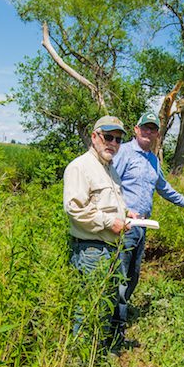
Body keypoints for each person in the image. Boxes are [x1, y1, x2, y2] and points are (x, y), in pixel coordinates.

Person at [111, 111, 184, 336]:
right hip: (124, 226)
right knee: (120, 278)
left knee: (133, 276)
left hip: (143, 227)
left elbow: (163, 186)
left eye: (152, 129)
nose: (148, 132)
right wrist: (124, 211)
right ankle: (115, 332)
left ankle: (116, 315)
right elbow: (111, 185)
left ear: (157, 134)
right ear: (136, 129)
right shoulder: (123, 153)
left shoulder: (153, 160)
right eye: (145, 127)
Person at [63, 115, 130, 348]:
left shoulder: (109, 168)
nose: (112, 143)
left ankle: (94, 356)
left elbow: (109, 203)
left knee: (102, 306)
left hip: (109, 249)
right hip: (91, 251)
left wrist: (127, 215)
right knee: (89, 307)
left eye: (118, 139)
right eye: (108, 137)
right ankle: (79, 362)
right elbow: (75, 209)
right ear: (94, 137)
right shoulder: (81, 167)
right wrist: (109, 223)